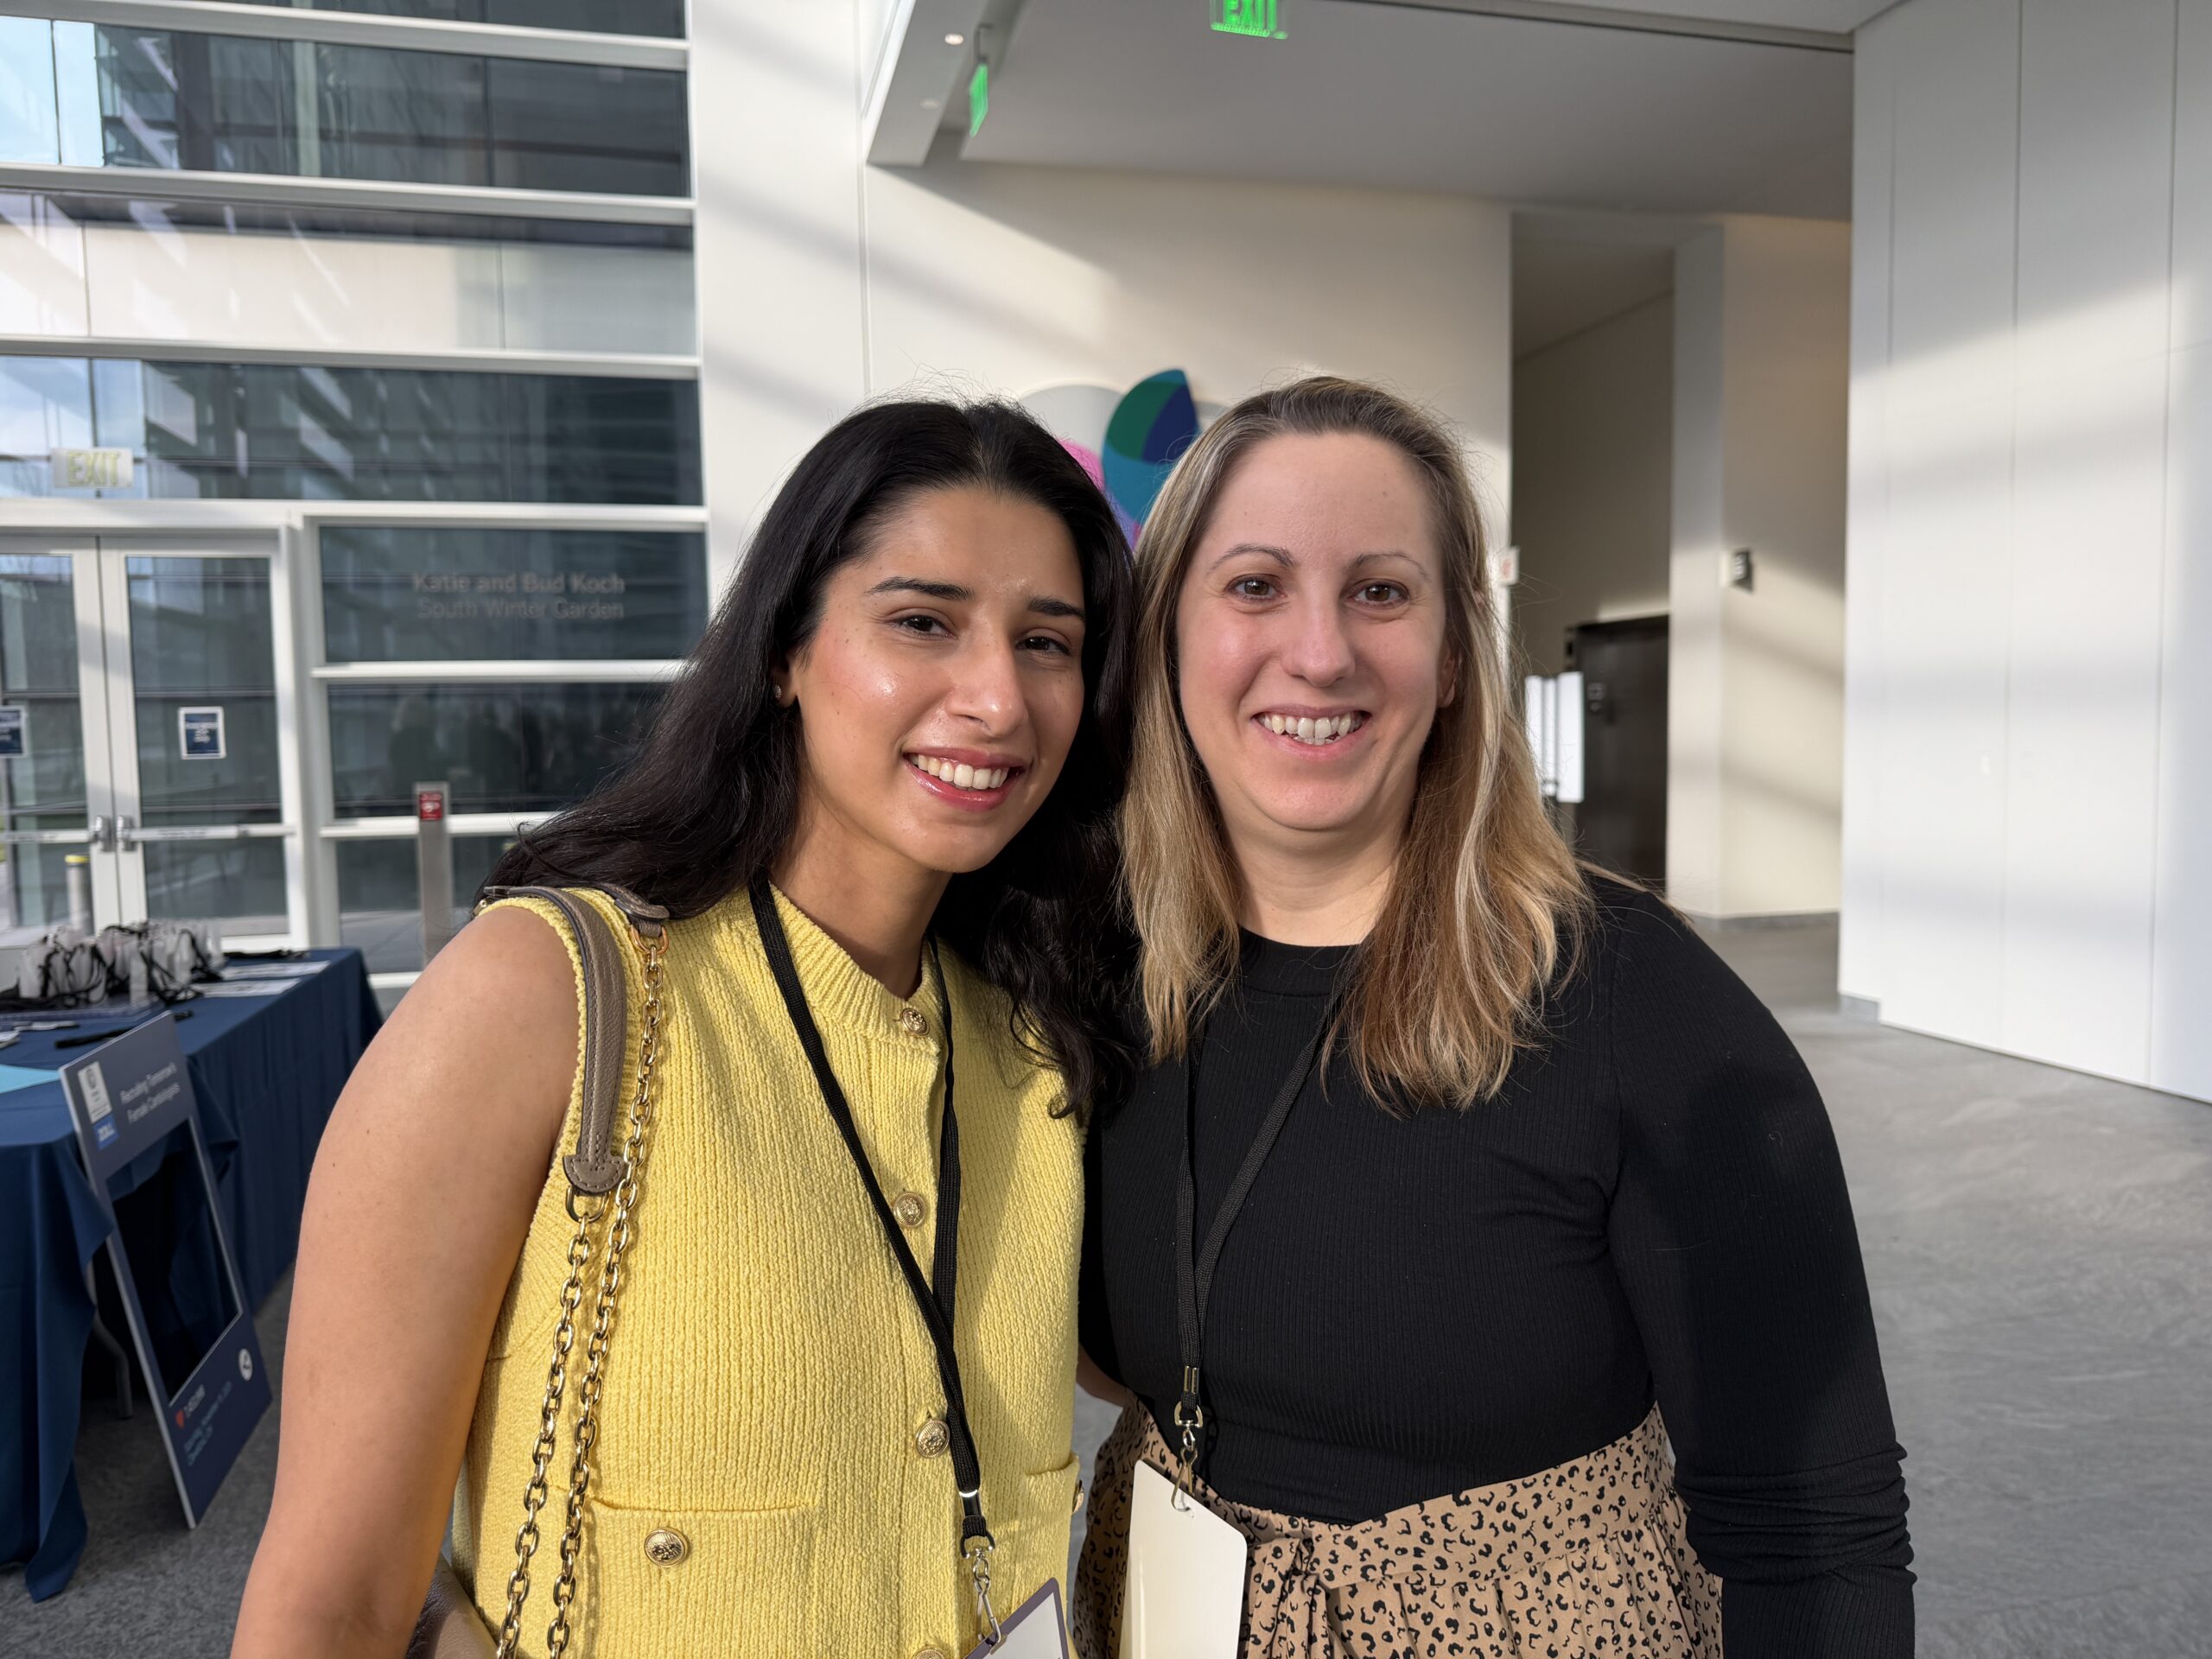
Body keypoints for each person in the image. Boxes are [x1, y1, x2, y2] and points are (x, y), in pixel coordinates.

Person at [232, 398, 1134, 1659]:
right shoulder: (549, 996)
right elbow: (327, 1610)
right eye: (922, 622)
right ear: (784, 652)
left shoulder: (1036, 1046)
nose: (997, 698)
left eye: (1046, 642)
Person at [1074, 377, 1913, 1657]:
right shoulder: (1099, 978)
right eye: (1253, 586)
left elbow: (1814, 1529)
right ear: (1165, 639)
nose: (1320, 651)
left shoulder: (1633, 1002)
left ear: (1457, 653)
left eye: (1381, 591)